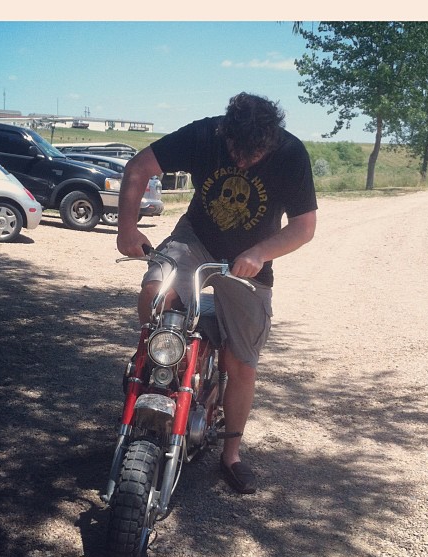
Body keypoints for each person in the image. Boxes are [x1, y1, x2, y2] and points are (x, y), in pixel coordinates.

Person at [117, 92, 317, 494]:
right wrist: (126, 228)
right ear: (225, 133)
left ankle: (231, 455)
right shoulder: (204, 134)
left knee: (241, 361)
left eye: (253, 154)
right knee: (156, 291)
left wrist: (260, 253)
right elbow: (139, 168)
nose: (242, 162)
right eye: (237, 151)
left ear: (271, 140)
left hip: (250, 257)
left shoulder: (291, 153)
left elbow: (304, 227)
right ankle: (159, 370)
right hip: (196, 239)